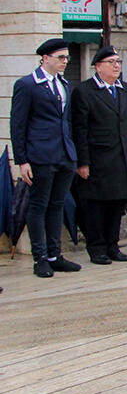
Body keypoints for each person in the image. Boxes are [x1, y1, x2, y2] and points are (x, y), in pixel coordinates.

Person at [10, 38, 81, 277]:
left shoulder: (63, 84)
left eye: (67, 58)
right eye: (60, 57)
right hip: (40, 155)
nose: (64, 62)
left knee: (57, 205)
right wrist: (22, 160)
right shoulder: (28, 85)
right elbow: (17, 125)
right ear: (45, 58)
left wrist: (71, 150)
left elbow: (67, 121)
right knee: (38, 205)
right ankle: (40, 257)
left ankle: (55, 254)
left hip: (63, 154)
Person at [71, 45, 127, 264]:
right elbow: (79, 129)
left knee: (116, 205)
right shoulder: (84, 91)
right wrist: (82, 162)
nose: (116, 66)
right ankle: (97, 247)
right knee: (96, 206)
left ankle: (113, 245)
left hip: (120, 158)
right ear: (98, 66)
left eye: (118, 61)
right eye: (111, 62)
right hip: (97, 159)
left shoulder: (125, 90)